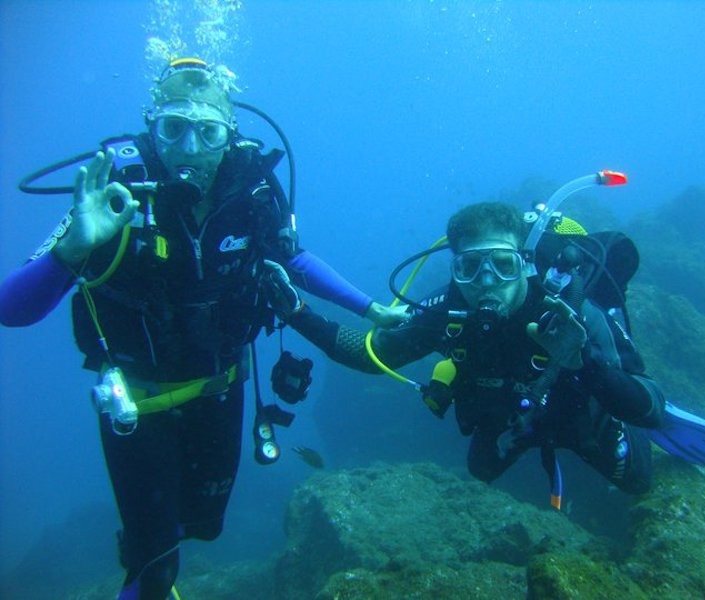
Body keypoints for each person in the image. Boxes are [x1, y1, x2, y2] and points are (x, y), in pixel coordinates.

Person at [0, 57, 404, 600]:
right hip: (135, 409)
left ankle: (150, 545)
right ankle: (146, 562)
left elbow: (296, 259)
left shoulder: (254, 190)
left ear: (229, 135)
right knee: (156, 562)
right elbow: (12, 309)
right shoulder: (114, 192)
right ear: (152, 127)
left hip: (221, 391)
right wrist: (75, 247)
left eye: (208, 131)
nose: (189, 148)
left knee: (202, 526)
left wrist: (370, 309)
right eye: (173, 129)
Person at [285, 201, 669, 505]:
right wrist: (296, 312)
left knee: (637, 481)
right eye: (470, 267)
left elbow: (652, 406)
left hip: (574, 410)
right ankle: (529, 435)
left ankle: (587, 432)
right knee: (481, 470)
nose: (487, 282)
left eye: (503, 265)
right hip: (510, 414)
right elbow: (370, 355)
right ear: (455, 270)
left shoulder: (570, 309)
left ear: (525, 263)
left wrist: (588, 365)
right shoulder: (445, 311)